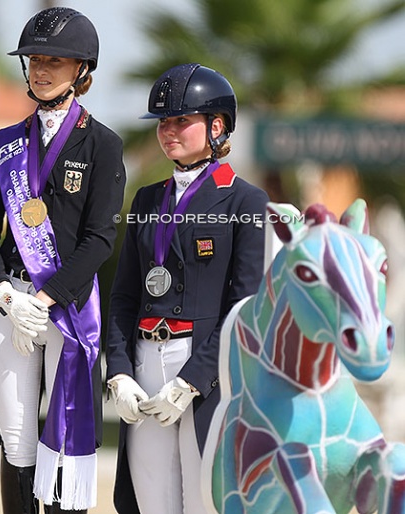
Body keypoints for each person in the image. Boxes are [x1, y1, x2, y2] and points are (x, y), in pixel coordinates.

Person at [0, 6, 126, 514]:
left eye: (54, 60)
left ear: (82, 71)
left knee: (60, 436)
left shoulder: (103, 145)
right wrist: (4, 293)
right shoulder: (5, 145)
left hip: (67, 308)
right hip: (11, 304)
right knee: (16, 440)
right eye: (34, 58)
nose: (40, 68)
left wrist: (45, 297)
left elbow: (100, 240)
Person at [105, 63, 269, 514]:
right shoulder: (146, 199)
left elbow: (245, 303)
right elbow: (123, 295)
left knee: (201, 503)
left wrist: (193, 381)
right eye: (163, 122)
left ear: (217, 126)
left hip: (202, 370)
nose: (168, 131)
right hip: (145, 365)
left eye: (181, 120)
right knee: (151, 502)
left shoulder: (244, 200)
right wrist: (118, 370)